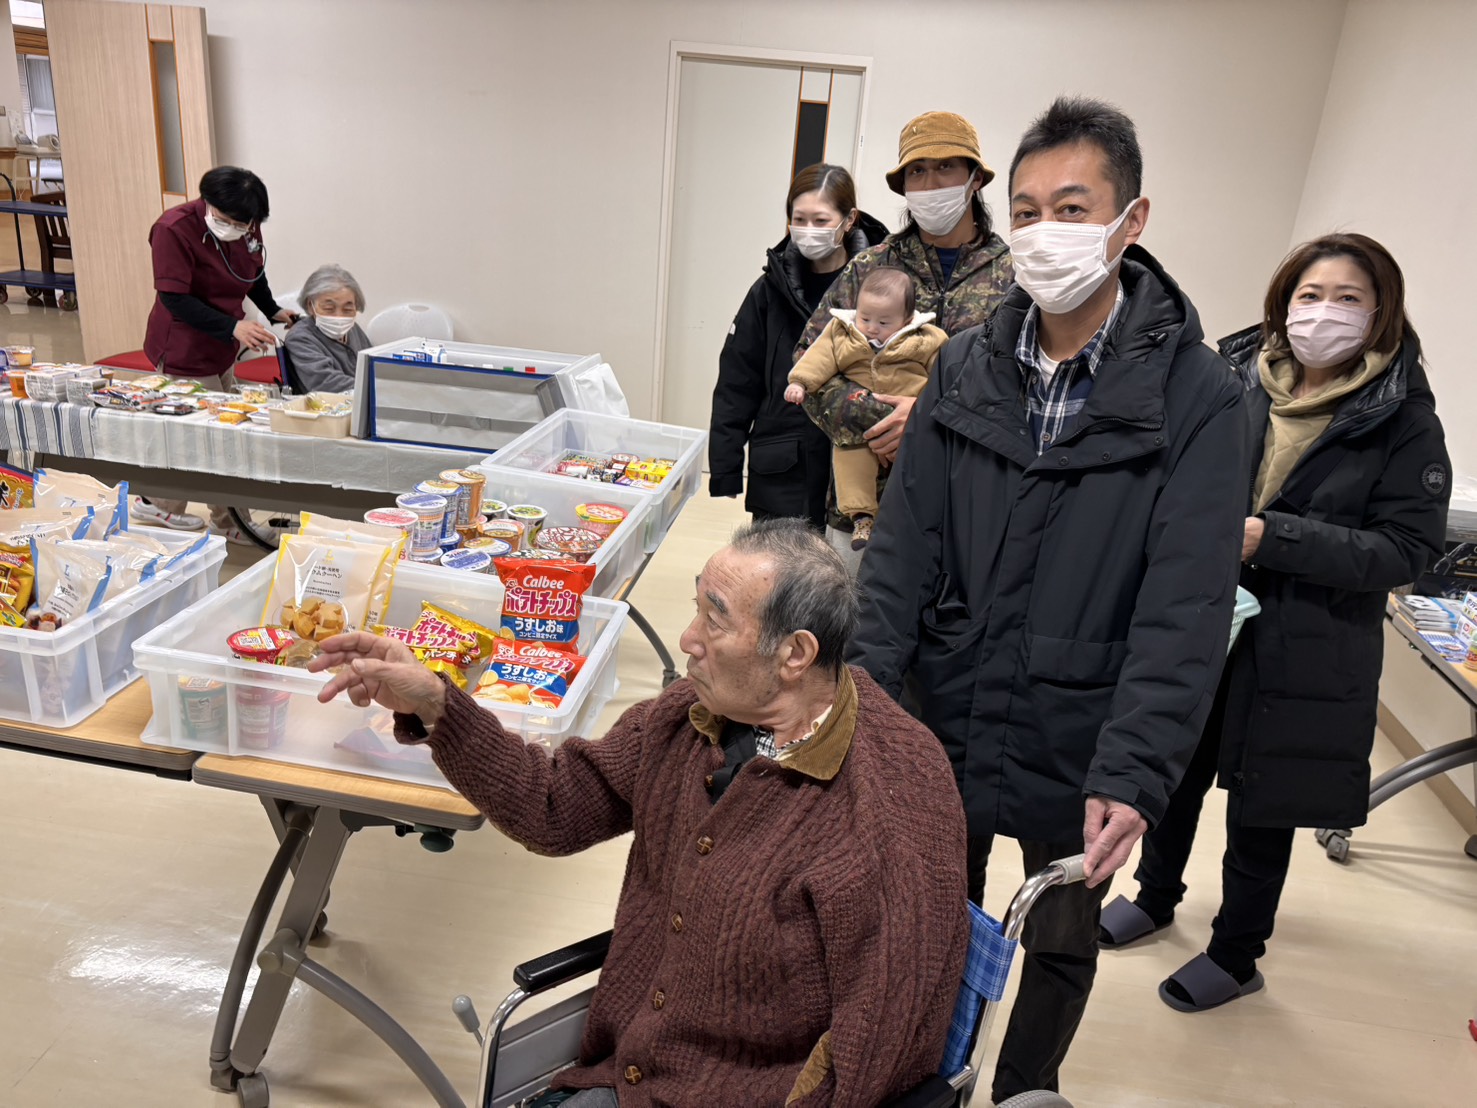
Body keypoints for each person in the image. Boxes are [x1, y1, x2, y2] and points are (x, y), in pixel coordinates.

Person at [848, 97, 1248, 1101]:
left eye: (1071, 209)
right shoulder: (964, 365)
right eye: (1025, 212)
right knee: (925, 912)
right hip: (945, 700)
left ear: (1130, 220)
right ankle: (921, 1075)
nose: (1042, 233)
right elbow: (900, 552)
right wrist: (864, 707)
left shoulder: (1201, 397)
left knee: (1060, 935)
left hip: (1085, 728)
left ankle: (1023, 1086)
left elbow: (1185, 604)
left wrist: (1136, 767)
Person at [311, 519, 969, 1106]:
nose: (687, 639)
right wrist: (434, 702)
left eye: (715, 620)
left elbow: (881, 1048)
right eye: (696, 607)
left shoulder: (892, 796)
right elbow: (554, 806)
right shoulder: (689, 717)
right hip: (628, 1076)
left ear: (795, 654)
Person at [1097, 234, 1450, 1013]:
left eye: (1348, 298)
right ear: (1282, 304)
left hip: (1307, 642)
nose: (1324, 313)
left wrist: (1271, 538)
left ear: (1381, 313)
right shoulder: (1234, 377)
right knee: (1174, 772)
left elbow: (1407, 550)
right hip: (1205, 621)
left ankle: (1236, 953)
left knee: (1265, 803)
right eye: (1309, 295)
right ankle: (1154, 896)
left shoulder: (1402, 418)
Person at [793, 112, 1014, 554]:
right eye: (917, 171)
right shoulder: (871, 266)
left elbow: (1022, 389)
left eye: (946, 166)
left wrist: (928, 417)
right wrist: (877, 415)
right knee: (854, 600)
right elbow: (809, 359)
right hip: (865, 511)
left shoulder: (1013, 276)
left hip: (967, 509)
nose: (930, 183)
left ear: (975, 179)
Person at [709, 164, 887, 528]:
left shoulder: (881, 287)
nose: (808, 230)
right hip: (783, 467)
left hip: (857, 468)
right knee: (777, 564)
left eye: (821, 220)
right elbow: (737, 380)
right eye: (799, 219)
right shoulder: (770, 291)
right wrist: (725, 467)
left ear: (849, 220)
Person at [135, 166, 297, 533]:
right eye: (226, 221)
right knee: (198, 438)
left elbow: (252, 272)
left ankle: (223, 519)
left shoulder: (245, 223)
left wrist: (272, 310)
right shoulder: (173, 229)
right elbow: (174, 298)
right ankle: (163, 509)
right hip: (184, 347)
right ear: (207, 202)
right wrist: (233, 326)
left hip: (221, 346)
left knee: (222, 435)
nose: (235, 229)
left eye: (243, 225)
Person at [785, 267, 948, 548]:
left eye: (884, 322)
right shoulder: (842, 332)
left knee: (914, 473)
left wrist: (925, 409)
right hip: (859, 430)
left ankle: (916, 518)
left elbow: (945, 375)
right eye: (865, 318)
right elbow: (819, 357)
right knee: (850, 458)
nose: (872, 327)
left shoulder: (926, 338)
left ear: (908, 319)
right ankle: (861, 517)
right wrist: (800, 382)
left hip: (914, 428)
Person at [283, 264, 371, 393]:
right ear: (310, 306)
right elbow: (326, 383)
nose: (339, 316)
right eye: (329, 308)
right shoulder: (299, 338)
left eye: (347, 309)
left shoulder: (352, 328)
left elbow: (372, 364)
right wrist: (376, 388)